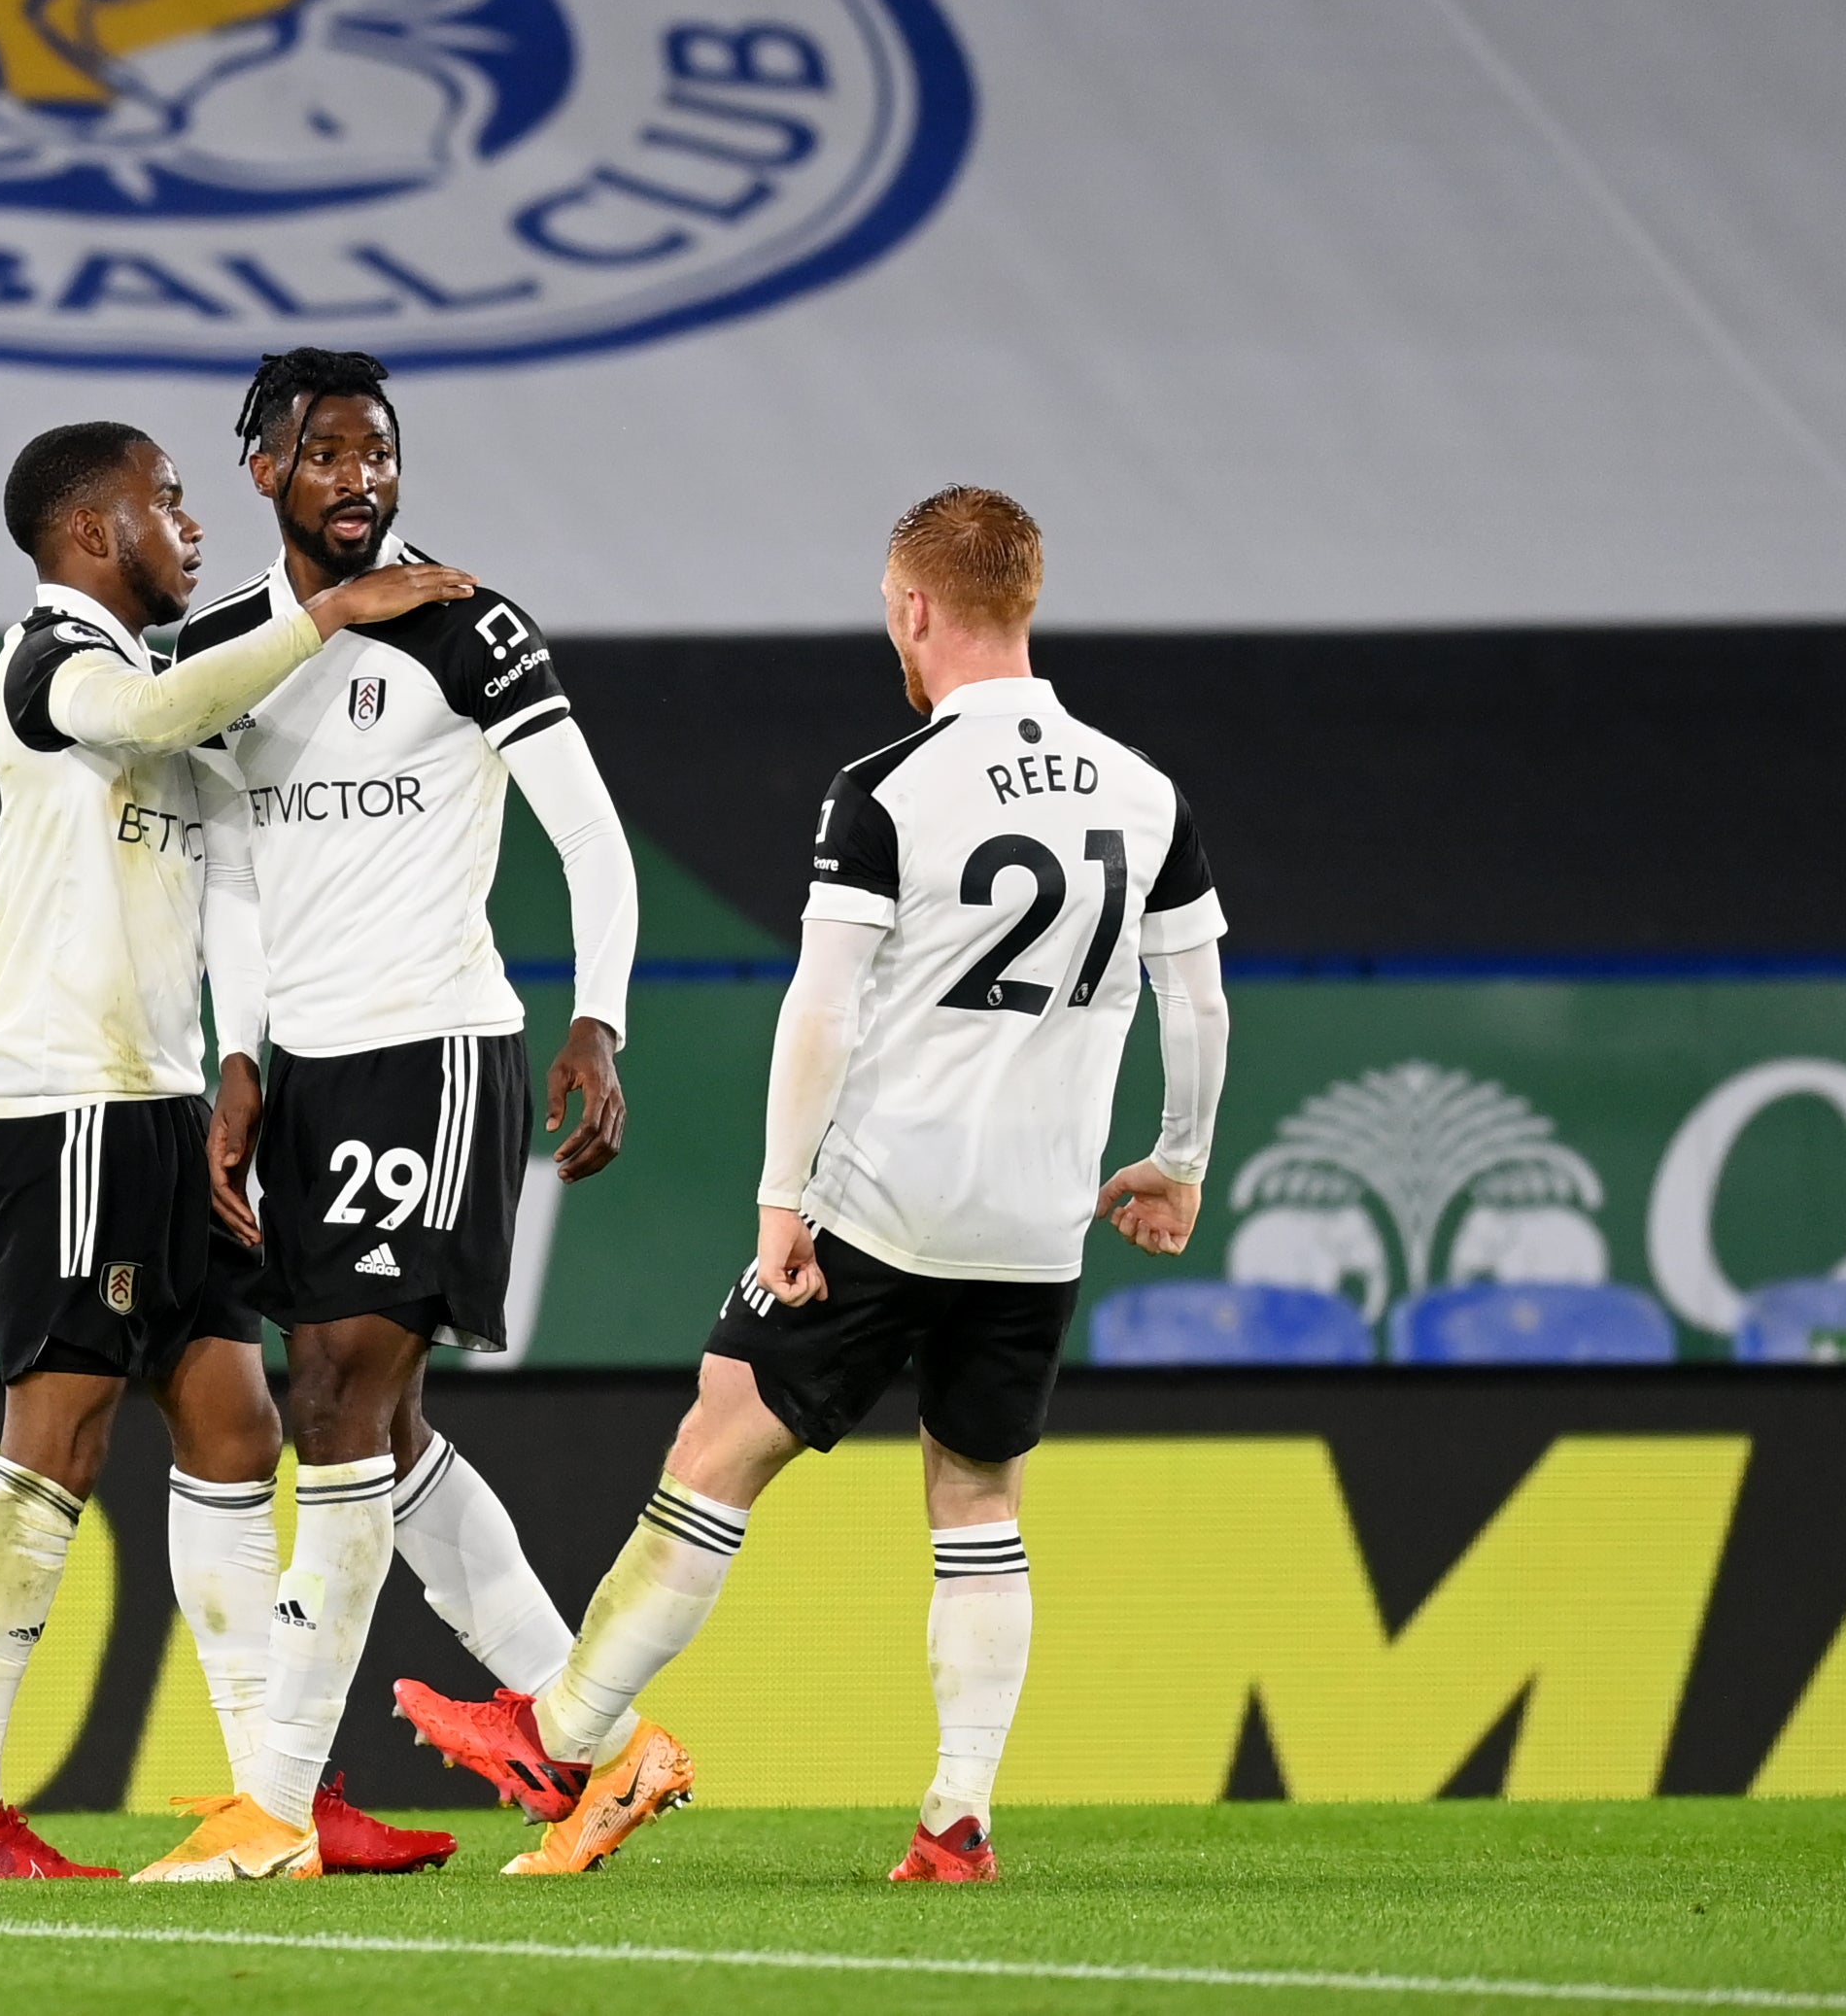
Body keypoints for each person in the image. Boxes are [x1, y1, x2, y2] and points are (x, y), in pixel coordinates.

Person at [396, 484, 1231, 1882]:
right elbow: (1196, 1000)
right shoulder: (1146, 793)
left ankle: (566, 1730)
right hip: (1036, 1220)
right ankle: (958, 1816)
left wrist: (784, 1195)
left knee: (721, 1441)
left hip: (886, 1201)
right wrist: (1182, 1156)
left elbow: (822, 1007)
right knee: (979, 1499)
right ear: (1026, 595)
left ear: (914, 607)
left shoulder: (889, 788)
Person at [0, 421, 474, 1879]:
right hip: (69, 1098)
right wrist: (326, 610)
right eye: (166, 501)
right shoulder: (48, 662)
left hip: (156, 1101)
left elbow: (227, 832)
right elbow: (153, 724)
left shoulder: (146, 683)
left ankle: (267, 1801)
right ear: (94, 533)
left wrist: (235, 1058)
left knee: (233, 1426)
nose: (193, 522)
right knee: (61, 1435)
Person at [129, 349, 641, 1884]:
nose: (361, 479)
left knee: (339, 1408)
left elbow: (592, 840)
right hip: (309, 1073)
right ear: (265, 469)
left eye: (380, 454)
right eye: (329, 453)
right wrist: (240, 1058)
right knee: (377, 1425)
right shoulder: (223, 643)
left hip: (439, 1048)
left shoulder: (469, 625)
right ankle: (602, 1746)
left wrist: (599, 1017)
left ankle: (275, 1808)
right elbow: (229, 872)